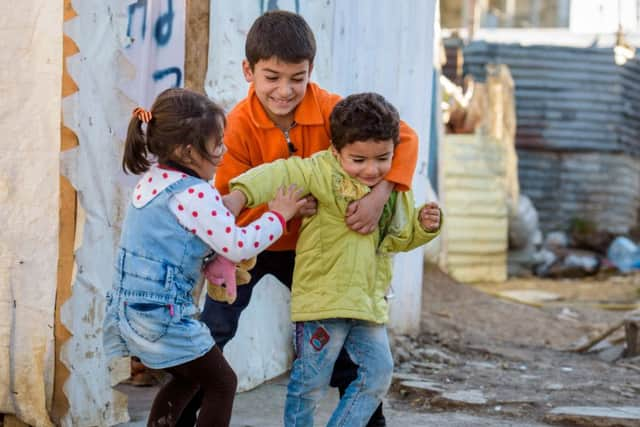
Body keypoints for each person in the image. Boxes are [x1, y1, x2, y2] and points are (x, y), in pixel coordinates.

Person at [181, 10, 420, 427]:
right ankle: (178, 419)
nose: (285, 90)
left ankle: (368, 422)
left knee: (346, 337)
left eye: (297, 77)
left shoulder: (331, 109)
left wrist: (381, 194)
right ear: (248, 71)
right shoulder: (236, 125)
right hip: (253, 245)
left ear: (311, 70)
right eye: (272, 77)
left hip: (317, 248)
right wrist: (280, 211)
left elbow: (407, 138)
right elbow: (234, 194)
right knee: (213, 331)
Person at [224, 92, 442, 426]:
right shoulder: (319, 173)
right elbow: (277, 174)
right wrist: (238, 196)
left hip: (367, 304)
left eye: (382, 158)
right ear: (335, 150)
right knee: (309, 385)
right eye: (358, 160)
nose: (371, 170)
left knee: (379, 374)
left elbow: (396, 239)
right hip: (323, 304)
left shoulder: (394, 191)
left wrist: (423, 227)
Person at [102, 88, 305, 427]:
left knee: (188, 377)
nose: (223, 152)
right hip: (163, 316)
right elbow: (237, 245)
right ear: (187, 151)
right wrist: (278, 216)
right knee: (223, 383)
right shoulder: (193, 193)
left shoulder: (153, 180)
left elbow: (179, 237)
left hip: (129, 310)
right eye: (216, 146)